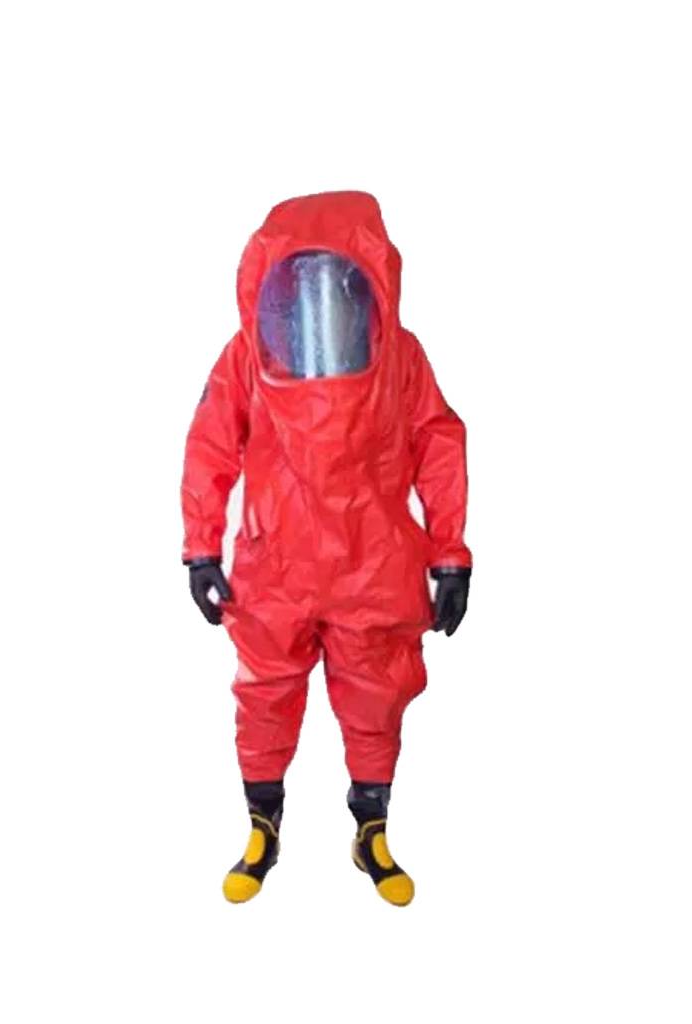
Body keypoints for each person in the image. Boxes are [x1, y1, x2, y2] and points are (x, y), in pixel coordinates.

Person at [181, 191, 471, 906]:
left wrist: (450, 553)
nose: (317, 299)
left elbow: (437, 443)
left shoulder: (399, 357)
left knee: (376, 697)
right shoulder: (247, 358)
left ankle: (371, 829)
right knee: (267, 696)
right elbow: (212, 443)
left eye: (336, 281)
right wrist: (200, 546)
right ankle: (263, 825)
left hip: (371, 558)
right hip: (277, 561)